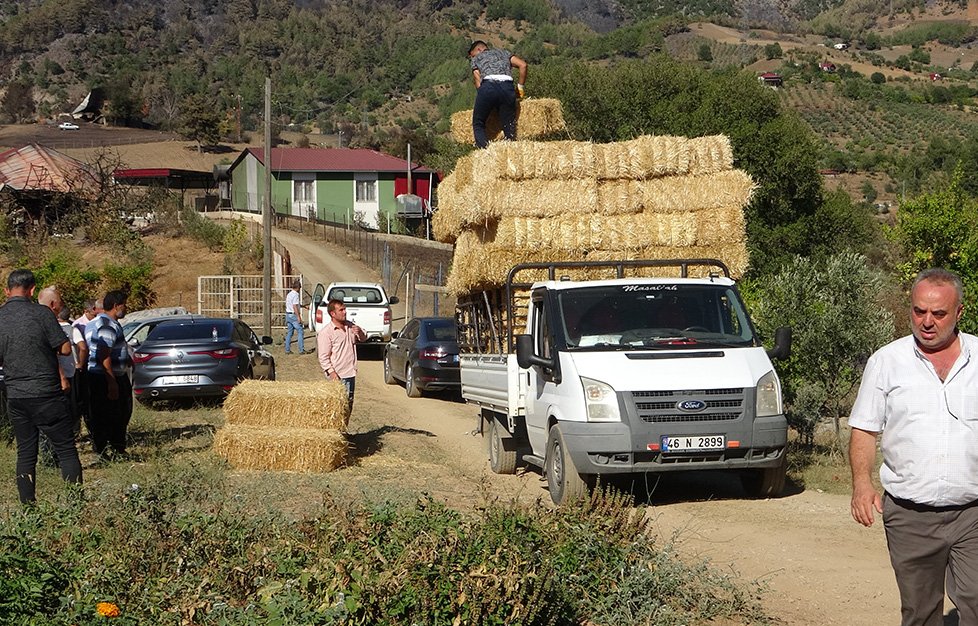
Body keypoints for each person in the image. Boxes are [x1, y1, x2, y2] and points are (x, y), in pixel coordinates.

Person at [849, 268, 978, 626]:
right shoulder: (886, 362)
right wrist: (862, 484)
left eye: (938, 314)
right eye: (919, 311)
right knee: (920, 612)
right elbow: (864, 428)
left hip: (974, 513)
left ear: (959, 313)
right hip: (910, 516)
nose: (927, 322)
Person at [0, 269, 82, 503]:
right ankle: (75, 504)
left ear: (7, 290)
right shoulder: (42, 313)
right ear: (33, 290)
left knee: (25, 453)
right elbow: (65, 349)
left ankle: (28, 507)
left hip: (16, 395)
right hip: (46, 392)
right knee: (65, 449)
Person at [85, 290, 132, 458]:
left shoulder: (112, 323)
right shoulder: (107, 325)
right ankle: (106, 449)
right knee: (109, 413)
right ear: (116, 306)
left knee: (120, 412)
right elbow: (104, 354)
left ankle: (115, 446)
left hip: (113, 376)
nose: (126, 308)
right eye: (124, 305)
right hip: (105, 378)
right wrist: (111, 382)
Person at [467, 40, 528, 149]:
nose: (472, 58)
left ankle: (486, 153)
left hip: (488, 87)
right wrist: (520, 88)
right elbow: (523, 65)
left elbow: (478, 83)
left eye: (472, 55)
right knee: (509, 125)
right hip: (507, 87)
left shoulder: (476, 59)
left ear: (479, 50)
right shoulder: (504, 53)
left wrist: (487, 103)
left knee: (478, 123)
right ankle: (511, 153)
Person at [317, 298, 366, 411]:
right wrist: (332, 373)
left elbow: (363, 338)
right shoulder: (326, 333)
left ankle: (344, 428)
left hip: (350, 373)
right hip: (337, 375)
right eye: (341, 310)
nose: (345, 312)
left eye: (345, 309)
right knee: (336, 407)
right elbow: (323, 357)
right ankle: (336, 429)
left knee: (348, 406)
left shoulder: (350, 326)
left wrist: (360, 332)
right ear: (333, 314)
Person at [284, 279, 307, 354]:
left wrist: (303, 306)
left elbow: (294, 304)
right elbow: (294, 306)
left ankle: (287, 350)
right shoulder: (296, 295)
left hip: (288, 314)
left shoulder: (289, 294)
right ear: (298, 288)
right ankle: (301, 349)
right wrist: (298, 317)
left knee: (290, 332)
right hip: (293, 315)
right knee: (300, 331)